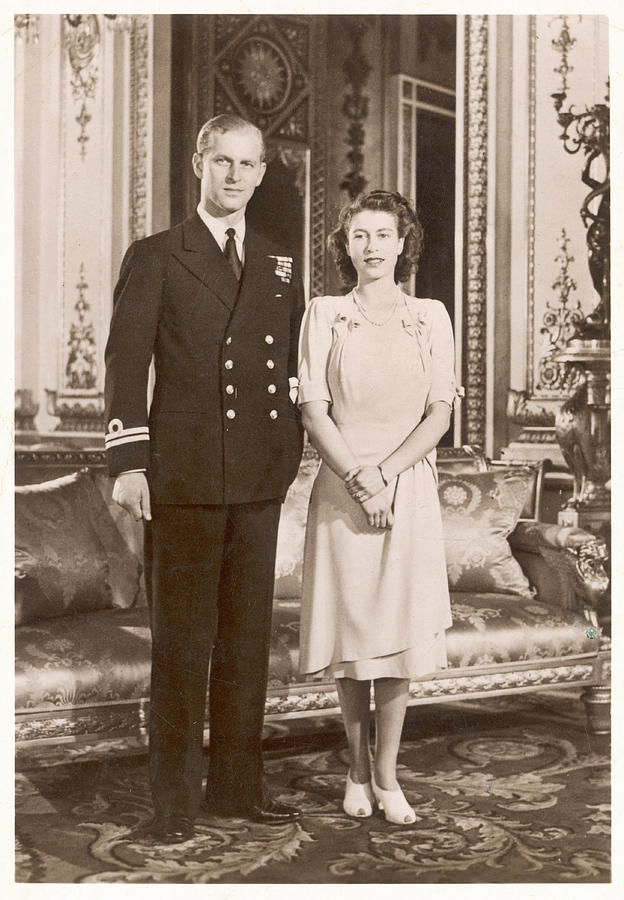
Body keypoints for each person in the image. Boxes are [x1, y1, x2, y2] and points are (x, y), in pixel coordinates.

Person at [104, 114, 304, 843]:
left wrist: (286, 456)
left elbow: (285, 371)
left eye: (248, 165)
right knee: (183, 646)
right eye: (222, 160)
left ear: (259, 173)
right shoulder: (159, 254)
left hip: (256, 480)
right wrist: (129, 462)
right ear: (199, 161)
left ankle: (237, 790)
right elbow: (126, 365)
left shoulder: (280, 262)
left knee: (246, 644)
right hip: (183, 481)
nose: (234, 176)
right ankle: (174, 800)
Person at [297, 190, 456, 825]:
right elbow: (313, 410)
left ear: (402, 244)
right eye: (359, 235)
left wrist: (386, 475)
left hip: (406, 487)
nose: (370, 246)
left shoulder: (430, 316)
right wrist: (361, 480)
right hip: (342, 485)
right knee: (354, 638)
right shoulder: (325, 313)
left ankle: (387, 775)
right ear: (346, 245)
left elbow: (439, 412)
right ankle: (355, 771)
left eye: (382, 235)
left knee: (394, 641)